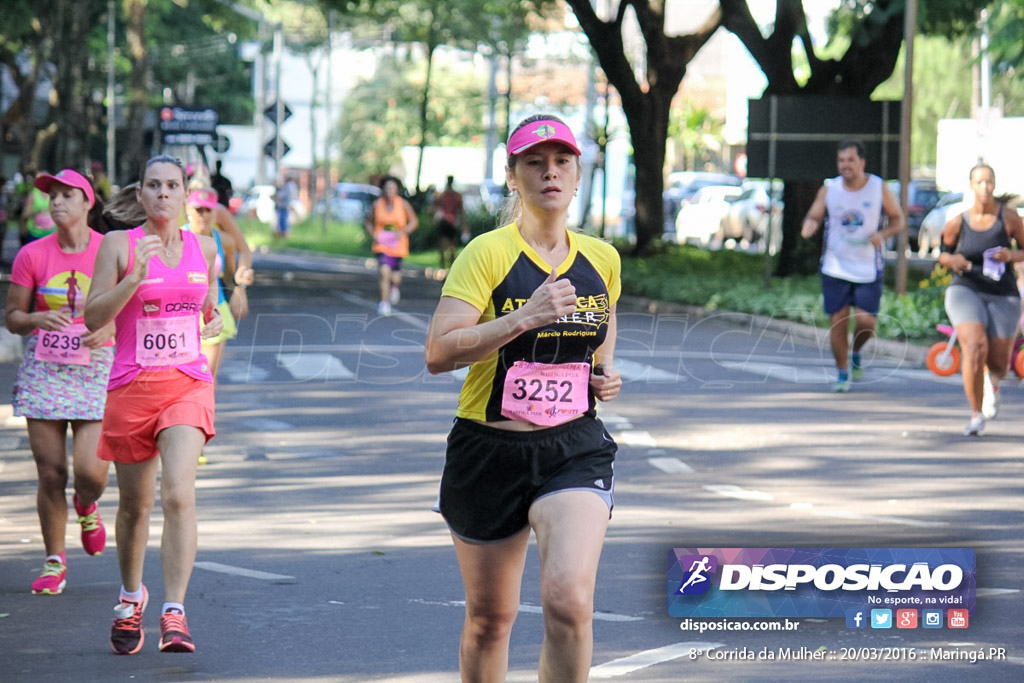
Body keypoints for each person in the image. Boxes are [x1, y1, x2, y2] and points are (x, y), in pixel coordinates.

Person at [424, 114, 623, 683]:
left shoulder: (601, 259)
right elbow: (438, 353)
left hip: (573, 448)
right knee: (490, 620)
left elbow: (602, 335)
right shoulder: (486, 254)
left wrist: (604, 374)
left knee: (567, 601)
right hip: (488, 450)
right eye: (534, 163)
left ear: (578, 173)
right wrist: (525, 318)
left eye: (562, 161)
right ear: (514, 176)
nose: (549, 172)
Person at [85, 154, 223, 655]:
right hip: (131, 387)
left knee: (178, 495)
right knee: (134, 506)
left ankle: (175, 612)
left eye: (172, 185)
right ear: (140, 195)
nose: (164, 193)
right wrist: (131, 280)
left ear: (186, 195)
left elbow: (203, 309)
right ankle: (130, 596)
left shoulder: (205, 247)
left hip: (186, 383)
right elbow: (91, 316)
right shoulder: (118, 246)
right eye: (154, 185)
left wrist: (208, 322)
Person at [4, 169, 115, 595]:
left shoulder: (110, 250)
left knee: (91, 473)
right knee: (51, 473)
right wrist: (35, 317)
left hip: (96, 370)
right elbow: (12, 318)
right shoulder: (32, 255)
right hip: (45, 372)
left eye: (67, 195)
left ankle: (86, 505)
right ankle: (54, 560)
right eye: (52, 196)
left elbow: (131, 310)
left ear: (88, 202)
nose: (56, 203)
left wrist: (111, 329)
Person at [800, 139, 905, 392]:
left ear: (861, 162)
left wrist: (884, 234)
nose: (845, 165)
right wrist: (809, 224)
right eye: (841, 161)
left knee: (867, 322)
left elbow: (898, 219)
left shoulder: (878, 187)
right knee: (838, 320)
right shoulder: (829, 189)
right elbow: (814, 215)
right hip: (835, 265)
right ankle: (842, 372)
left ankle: (856, 350)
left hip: (868, 266)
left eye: (850, 160)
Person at [938, 163, 1024, 435]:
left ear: (994, 185)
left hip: (1003, 293)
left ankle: (993, 383)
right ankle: (975, 414)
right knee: (974, 345)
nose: (985, 187)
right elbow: (942, 254)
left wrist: (1011, 256)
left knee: (998, 363)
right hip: (966, 288)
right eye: (979, 182)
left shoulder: (1008, 218)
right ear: (971, 186)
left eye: (989, 182)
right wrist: (952, 259)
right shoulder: (958, 220)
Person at [184, 188, 242, 381]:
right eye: (198, 209)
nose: (203, 215)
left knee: (206, 378)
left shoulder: (224, 241)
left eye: (208, 210)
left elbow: (230, 276)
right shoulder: (176, 237)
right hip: (180, 313)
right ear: (188, 209)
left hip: (213, 309)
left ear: (215, 213)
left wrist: (239, 292)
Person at [365, 175, 418, 316]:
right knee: (384, 272)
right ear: (383, 189)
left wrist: (403, 231)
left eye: (393, 188)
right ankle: (384, 303)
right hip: (382, 245)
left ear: (397, 190)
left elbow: (414, 222)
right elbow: (368, 222)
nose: (390, 191)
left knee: (395, 278)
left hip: (398, 246)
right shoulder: (377, 205)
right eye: (387, 188)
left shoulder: (403, 205)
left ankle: (394, 287)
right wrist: (373, 235)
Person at [431, 175, 465, 272]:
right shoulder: (457, 195)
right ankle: (450, 270)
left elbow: (433, 207)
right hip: (452, 222)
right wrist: (463, 223)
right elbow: (461, 210)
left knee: (442, 247)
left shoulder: (441, 195)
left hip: (444, 221)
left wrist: (433, 219)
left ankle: (443, 268)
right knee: (452, 247)